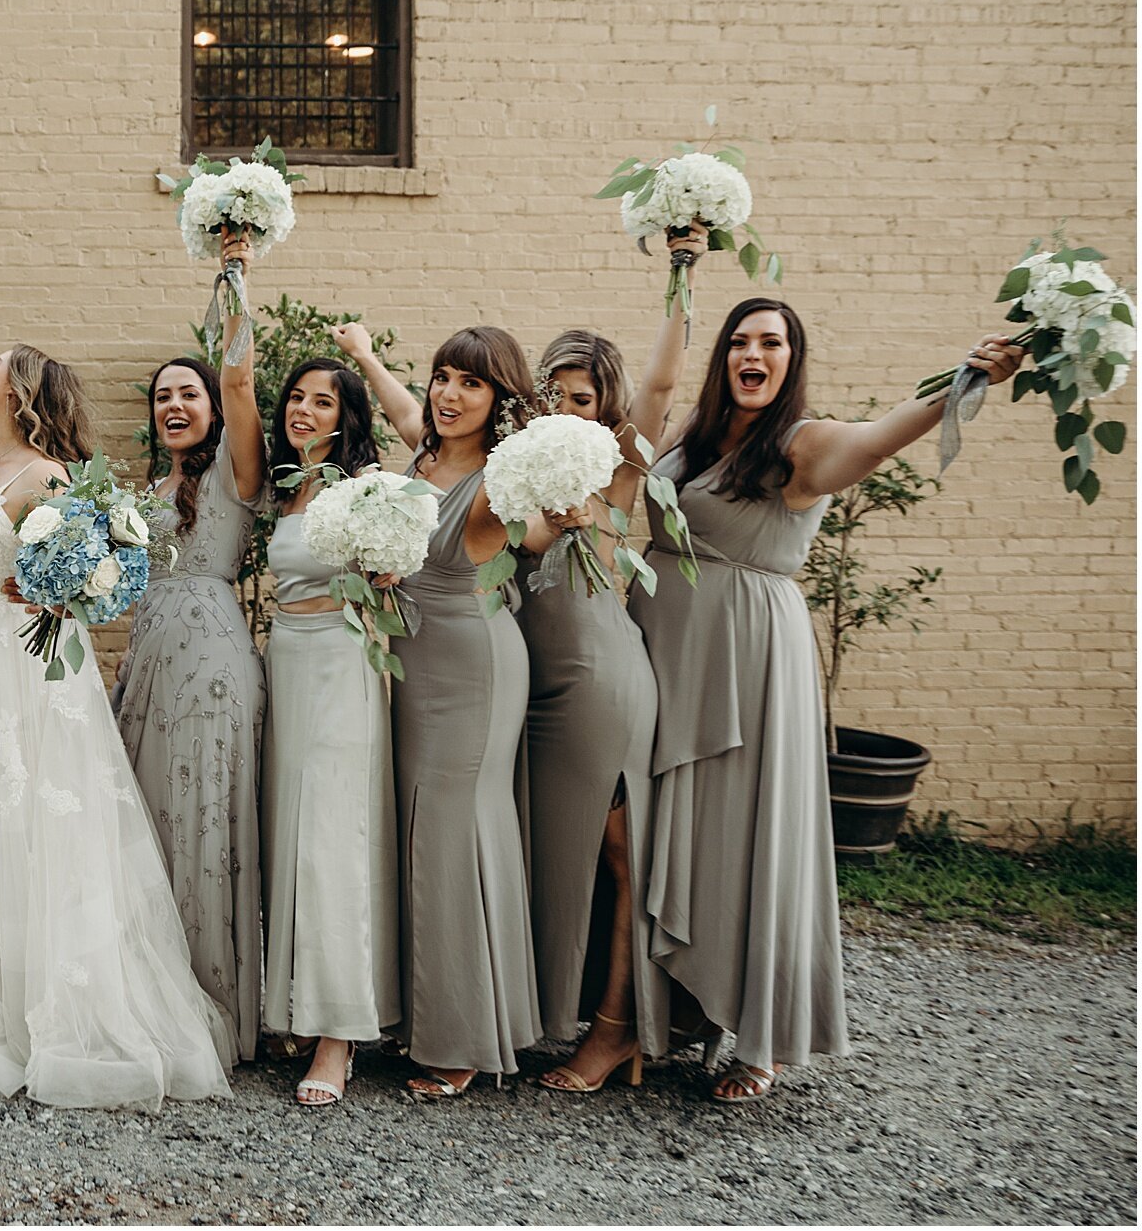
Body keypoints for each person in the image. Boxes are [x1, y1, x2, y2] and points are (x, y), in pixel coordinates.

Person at [627, 298, 1024, 1102]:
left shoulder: (803, 444)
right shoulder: (694, 432)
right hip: (662, 644)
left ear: (791, 359)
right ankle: (667, 1011)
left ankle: (762, 1038)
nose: (754, 354)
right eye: (741, 341)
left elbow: (880, 437)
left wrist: (968, 376)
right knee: (663, 824)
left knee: (746, 834)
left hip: (746, 657)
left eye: (771, 343)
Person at [0, 345, 233, 1110]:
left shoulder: (48, 476)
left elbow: (100, 576)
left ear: (21, 389)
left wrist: (55, 593)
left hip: (19, 668)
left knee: (30, 818)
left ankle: (51, 1012)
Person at [518, 229, 706, 1094]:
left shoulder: (617, 468)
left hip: (602, 678)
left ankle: (617, 1029)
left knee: (620, 853)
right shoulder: (521, 468)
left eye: (582, 395)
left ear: (605, 406)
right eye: (553, 392)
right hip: (535, 687)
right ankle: (557, 1010)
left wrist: (682, 269)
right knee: (567, 854)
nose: (565, 406)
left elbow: (664, 384)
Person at [336, 322, 544, 1097]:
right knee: (424, 830)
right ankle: (437, 1014)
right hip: (417, 661)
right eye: (444, 376)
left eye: (471, 383)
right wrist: (364, 354)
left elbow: (538, 527)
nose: (449, 394)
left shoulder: (498, 476)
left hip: (474, 664)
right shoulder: (425, 451)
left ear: (499, 399)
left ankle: (463, 1038)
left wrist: (566, 516)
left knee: (455, 832)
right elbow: (401, 407)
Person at [110, 233, 266, 1064]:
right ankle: (155, 995)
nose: (174, 404)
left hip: (210, 663)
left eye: (187, 393)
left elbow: (240, 379)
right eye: (163, 396)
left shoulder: (235, 474)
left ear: (210, 407)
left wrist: (232, 275)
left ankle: (213, 1005)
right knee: (149, 819)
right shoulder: (151, 489)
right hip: (149, 660)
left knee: (202, 816)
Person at [257, 356, 402, 1107]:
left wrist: (387, 572)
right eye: (296, 397)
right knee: (291, 835)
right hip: (285, 657)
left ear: (347, 417)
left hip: (341, 660)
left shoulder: (363, 487)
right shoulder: (285, 487)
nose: (304, 411)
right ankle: (295, 1007)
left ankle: (339, 1033)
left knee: (331, 837)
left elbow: (395, 570)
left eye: (323, 401)